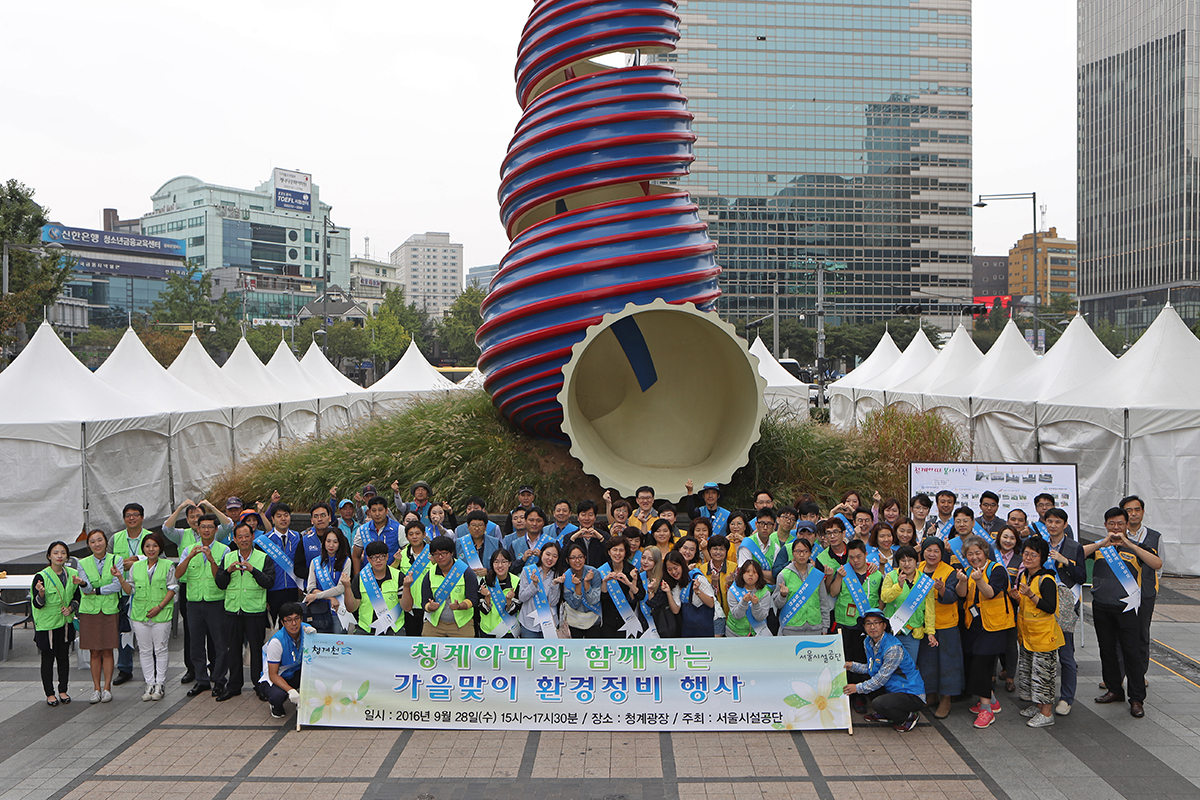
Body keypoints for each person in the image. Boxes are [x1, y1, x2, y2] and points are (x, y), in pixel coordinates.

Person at [1085, 506, 1161, 718]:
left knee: (1131, 654)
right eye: (1111, 524)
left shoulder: (1138, 547)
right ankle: (1114, 690)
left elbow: (1157, 563)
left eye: (1120, 523)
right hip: (1101, 607)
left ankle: (1137, 698)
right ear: (1106, 525)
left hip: (1128, 609)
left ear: (1127, 525)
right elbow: (1075, 555)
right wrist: (1102, 543)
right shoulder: (1100, 548)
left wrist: (1128, 544)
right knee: (1107, 651)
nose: (1116, 527)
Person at [956, 534, 1014, 729]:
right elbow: (962, 594)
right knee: (973, 662)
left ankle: (986, 709)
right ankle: (991, 700)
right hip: (973, 624)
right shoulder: (967, 570)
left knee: (982, 664)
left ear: (985, 552)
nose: (974, 557)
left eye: (977, 553)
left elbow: (990, 593)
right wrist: (963, 580)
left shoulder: (997, 570)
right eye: (970, 554)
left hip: (994, 626)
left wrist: (979, 579)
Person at [215, 521, 275, 701]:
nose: (243, 540)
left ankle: (259, 685)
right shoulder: (228, 557)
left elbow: (269, 582)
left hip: (255, 610)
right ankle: (234, 685)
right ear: (234, 539)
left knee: (256, 650)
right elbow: (220, 583)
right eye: (239, 537)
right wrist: (227, 571)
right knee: (233, 649)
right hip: (233, 610)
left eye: (247, 536)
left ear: (253, 537)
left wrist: (253, 570)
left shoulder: (263, 558)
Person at [115, 532, 177, 701]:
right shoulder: (136, 567)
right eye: (148, 546)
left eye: (155, 546)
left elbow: (172, 589)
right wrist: (121, 579)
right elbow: (131, 589)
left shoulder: (168, 565)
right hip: (139, 614)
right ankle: (149, 683)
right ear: (143, 548)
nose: (151, 549)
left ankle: (160, 683)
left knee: (161, 649)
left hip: (161, 613)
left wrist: (159, 607)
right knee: (144, 650)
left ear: (160, 548)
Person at [1010, 536, 1063, 728]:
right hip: (1027, 636)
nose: (1029, 557)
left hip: (1044, 637)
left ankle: (1047, 713)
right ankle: (1038, 705)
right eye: (1026, 553)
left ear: (1042, 557)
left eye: (1034, 554)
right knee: (1031, 672)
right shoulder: (1025, 576)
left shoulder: (1046, 579)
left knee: (1044, 675)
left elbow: (1049, 607)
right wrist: (1018, 597)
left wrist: (1030, 595)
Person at [843, 608, 925, 732]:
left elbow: (880, 679)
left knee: (878, 702)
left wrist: (857, 688)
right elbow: (872, 668)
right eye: (868, 623)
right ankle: (886, 712)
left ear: (884, 625)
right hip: (891, 687)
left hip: (910, 693)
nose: (872, 627)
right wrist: (852, 666)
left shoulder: (893, 648)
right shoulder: (868, 641)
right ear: (864, 627)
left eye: (876, 622)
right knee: (862, 676)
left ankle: (907, 717)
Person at [175, 514, 230, 698]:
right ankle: (201, 679)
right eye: (203, 527)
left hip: (216, 602)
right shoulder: (189, 549)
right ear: (197, 529)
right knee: (196, 644)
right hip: (194, 603)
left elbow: (222, 577)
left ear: (216, 530)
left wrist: (212, 559)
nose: (206, 530)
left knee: (220, 644)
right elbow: (178, 574)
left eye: (210, 527)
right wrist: (189, 557)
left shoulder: (224, 549)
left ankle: (219, 680)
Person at [1117, 494, 1162, 700]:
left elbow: (1159, 566)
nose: (1133, 514)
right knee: (1117, 635)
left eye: (1137, 510)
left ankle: (1140, 674)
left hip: (1144, 594)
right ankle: (1116, 676)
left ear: (1142, 512)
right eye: (1128, 510)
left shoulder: (1154, 536)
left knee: (1142, 634)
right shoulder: (1115, 536)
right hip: (1119, 594)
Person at [1043, 507, 1085, 715]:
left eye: (1057, 522)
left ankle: (1066, 698)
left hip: (1067, 604)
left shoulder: (1074, 547)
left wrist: (1065, 561)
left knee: (1066, 654)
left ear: (1065, 525)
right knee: (1043, 651)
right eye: (1049, 521)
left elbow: (1082, 577)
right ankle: (1043, 696)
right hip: (1043, 603)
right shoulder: (1040, 544)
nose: (1053, 525)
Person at [916, 537, 961, 719]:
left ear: (942, 553)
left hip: (945, 624)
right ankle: (931, 693)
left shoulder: (949, 571)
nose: (932, 554)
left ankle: (946, 699)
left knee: (947, 663)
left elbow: (953, 596)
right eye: (929, 550)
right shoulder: (917, 569)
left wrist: (941, 589)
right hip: (925, 624)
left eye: (936, 551)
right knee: (928, 662)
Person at [76, 529, 122, 704]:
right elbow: (85, 589)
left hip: (110, 609)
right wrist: (85, 585)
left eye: (100, 540)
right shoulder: (83, 563)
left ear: (105, 542)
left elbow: (117, 586)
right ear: (88, 545)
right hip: (90, 611)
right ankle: (96, 688)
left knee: (108, 649)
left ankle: (107, 688)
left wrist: (95, 589)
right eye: (93, 541)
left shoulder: (115, 559)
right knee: (94, 651)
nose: (97, 544)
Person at [109, 503, 150, 687]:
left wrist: (138, 560)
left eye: (135, 515)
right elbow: (106, 561)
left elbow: (161, 561)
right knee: (124, 631)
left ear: (142, 517)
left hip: (145, 592)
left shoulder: (150, 537)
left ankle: (152, 668)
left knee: (149, 631)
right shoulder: (115, 538)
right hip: (122, 591)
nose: (131, 518)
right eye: (128, 515)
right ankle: (125, 668)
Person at [33, 541, 79, 706]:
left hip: (65, 623)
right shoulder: (41, 576)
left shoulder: (73, 574)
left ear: (67, 555)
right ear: (49, 556)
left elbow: (78, 596)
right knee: (47, 659)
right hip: (47, 625)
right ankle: (49, 693)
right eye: (55, 553)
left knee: (64, 658)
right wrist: (41, 593)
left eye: (63, 553)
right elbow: (37, 603)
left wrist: (72, 607)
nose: (59, 556)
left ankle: (63, 690)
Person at [406, 535, 479, 638]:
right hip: (435, 624)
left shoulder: (465, 572)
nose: (440, 557)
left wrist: (460, 606)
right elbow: (424, 602)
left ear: (452, 552)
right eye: (436, 554)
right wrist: (430, 607)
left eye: (444, 553)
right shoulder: (430, 574)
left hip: (462, 624)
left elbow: (473, 599)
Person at [879, 545, 934, 664]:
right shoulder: (891, 576)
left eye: (910, 560)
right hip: (893, 630)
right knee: (889, 667)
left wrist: (930, 632)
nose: (907, 564)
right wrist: (898, 586)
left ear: (916, 561)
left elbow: (930, 609)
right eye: (903, 560)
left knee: (909, 667)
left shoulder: (924, 581)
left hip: (913, 632)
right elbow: (884, 597)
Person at [346, 540, 403, 635]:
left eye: (381, 556)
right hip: (366, 629)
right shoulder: (361, 578)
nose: (378, 560)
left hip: (394, 629)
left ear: (387, 557)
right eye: (374, 558)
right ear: (368, 560)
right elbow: (352, 608)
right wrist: (347, 587)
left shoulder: (399, 576)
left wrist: (406, 586)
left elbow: (407, 607)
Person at [260, 602, 305, 719]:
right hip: (276, 676)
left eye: (296, 619)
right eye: (289, 620)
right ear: (282, 623)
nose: (294, 623)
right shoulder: (277, 642)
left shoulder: (306, 631)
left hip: (294, 672)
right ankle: (275, 705)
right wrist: (290, 690)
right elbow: (273, 675)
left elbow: (307, 626)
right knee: (278, 696)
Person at [774, 538, 827, 636]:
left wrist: (825, 627)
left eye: (805, 551)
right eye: (798, 551)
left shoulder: (816, 574)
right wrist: (782, 595)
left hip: (815, 627)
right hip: (791, 628)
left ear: (810, 553)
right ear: (793, 553)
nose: (802, 555)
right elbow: (777, 604)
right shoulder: (784, 574)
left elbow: (823, 602)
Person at [303, 529, 352, 633]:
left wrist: (316, 595)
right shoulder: (315, 562)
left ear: (340, 543)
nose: (331, 545)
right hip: (319, 611)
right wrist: (330, 598)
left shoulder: (346, 561)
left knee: (339, 644)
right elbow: (311, 588)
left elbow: (341, 588)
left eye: (335, 542)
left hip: (338, 611)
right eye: (328, 541)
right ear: (323, 542)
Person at [262, 503, 303, 623]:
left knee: (294, 624)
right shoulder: (265, 541)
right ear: (273, 519)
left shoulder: (298, 537)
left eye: (286, 515)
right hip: (273, 590)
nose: (283, 519)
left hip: (293, 589)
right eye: (279, 516)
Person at [516, 541, 565, 638]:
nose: (550, 558)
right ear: (541, 553)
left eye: (555, 556)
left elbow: (553, 602)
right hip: (528, 623)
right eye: (548, 554)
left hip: (549, 623)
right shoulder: (528, 571)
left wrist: (554, 584)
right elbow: (521, 597)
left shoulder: (557, 574)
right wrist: (534, 585)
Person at [599, 536, 642, 638]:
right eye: (615, 550)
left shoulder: (632, 571)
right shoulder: (602, 571)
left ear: (626, 552)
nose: (617, 553)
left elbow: (640, 595)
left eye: (621, 550)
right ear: (609, 552)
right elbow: (602, 598)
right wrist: (604, 582)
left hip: (627, 623)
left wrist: (630, 583)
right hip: (607, 622)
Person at [395, 521, 432, 636]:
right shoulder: (402, 555)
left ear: (424, 534)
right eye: (411, 534)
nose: (414, 537)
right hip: (409, 606)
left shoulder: (433, 553)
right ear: (406, 537)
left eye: (418, 533)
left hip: (429, 604)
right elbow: (392, 574)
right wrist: (396, 561)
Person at [561, 542, 602, 638]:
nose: (577, 561)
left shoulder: (594, 573)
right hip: (574, 621)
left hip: (593, 620)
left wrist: (587, 583)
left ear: (585, 558)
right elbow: (575, 604)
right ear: (568, 560)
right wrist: (578, 586)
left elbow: (594, 600)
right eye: (573, 558)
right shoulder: (565, 577)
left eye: (580, 557)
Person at [353, 496, 401, 575]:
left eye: (380, 510)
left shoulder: (398, 528)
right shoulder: (362, 530)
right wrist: (357, 578)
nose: (377, 514)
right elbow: (356, 556)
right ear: (369, 512)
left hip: (392, 576)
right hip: (369, 578)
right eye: (374, 510)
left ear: (386, 511)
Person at [479, 548, 521, 637]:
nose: (500, 565)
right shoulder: (485, 581)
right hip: (488, 629)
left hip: (508, 630)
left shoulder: (516, 581)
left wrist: (509, 601)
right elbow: (483, 610)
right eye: (496, 562)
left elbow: (514, 611)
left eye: (504, 562)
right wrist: (487, 597)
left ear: (509, 563)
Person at [727, 559, 771, 637]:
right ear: (742, 573)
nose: (751, 574)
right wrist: (743, 602)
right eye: (747, 571)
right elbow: (737, 615)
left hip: (757, 633)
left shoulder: (765, 592)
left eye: (754, 572)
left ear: (759, 575)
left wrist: (756, 605)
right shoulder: (733, 589)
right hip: (735, 633)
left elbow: (761, 617)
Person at [705, 534, 735, 637]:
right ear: (709, 550)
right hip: (712, 618)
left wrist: (732, 584)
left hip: (732, 617)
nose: (718, 552)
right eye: (715, 549)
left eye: (722, 549)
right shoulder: (701, 569)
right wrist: (713, 584)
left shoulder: (734, 568)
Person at [564, 499, 608, 567]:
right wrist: (572, 539)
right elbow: (563, 558)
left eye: (590, 515)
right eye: (583, 515)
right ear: (578, 517)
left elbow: (609, 556)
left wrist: (601, 539)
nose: (587, 518)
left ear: (595, 517)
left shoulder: (604, 535)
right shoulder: (569, 537)